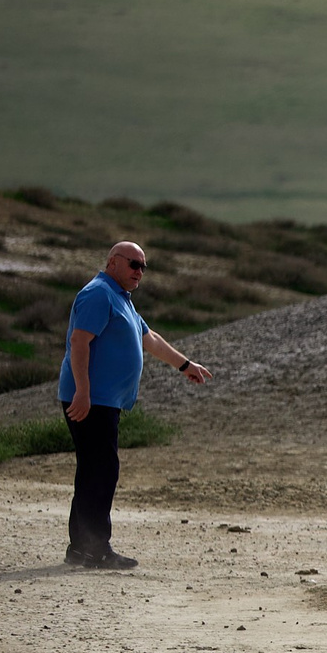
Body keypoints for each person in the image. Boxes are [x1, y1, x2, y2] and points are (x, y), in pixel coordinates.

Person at [58, 240, 210, 569]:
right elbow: (79, 342)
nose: (139, 272)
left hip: (103, 400)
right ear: (113, 262)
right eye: (133, 264)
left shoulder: (120, 298)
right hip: (91, 400)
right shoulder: (99, 294)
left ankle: (81, 548)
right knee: (102, 471)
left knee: (94, 470)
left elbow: (149, 338)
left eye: (143, 267)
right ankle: (96, 549)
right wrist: (83, 390)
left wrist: (185, 365)